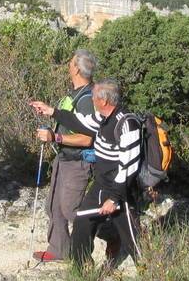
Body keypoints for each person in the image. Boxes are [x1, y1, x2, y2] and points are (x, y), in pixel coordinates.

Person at [58, 79, 142, 269]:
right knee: (82, 223)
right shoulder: (101, 117)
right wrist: (53, 112)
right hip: (101, 185)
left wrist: (114, 199)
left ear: (104, 101)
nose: (91, 99)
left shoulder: (127, 124)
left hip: (121, 191)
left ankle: (152, 278)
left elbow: (128, 167)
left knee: (133, 240)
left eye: (94, 96)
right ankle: (81, 271)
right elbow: (80, 123)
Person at [28, 49, 100, 263]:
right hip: (64, 158)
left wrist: (55, 138)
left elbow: (87, 139)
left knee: (71, 209)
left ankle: (108, 236)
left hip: (78, 161)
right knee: (53, 206)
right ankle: (59, 249)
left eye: (70, 63)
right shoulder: (77, 94)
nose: (68, 66)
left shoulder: (87, 99)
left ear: (76, 68)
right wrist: (49, 111)